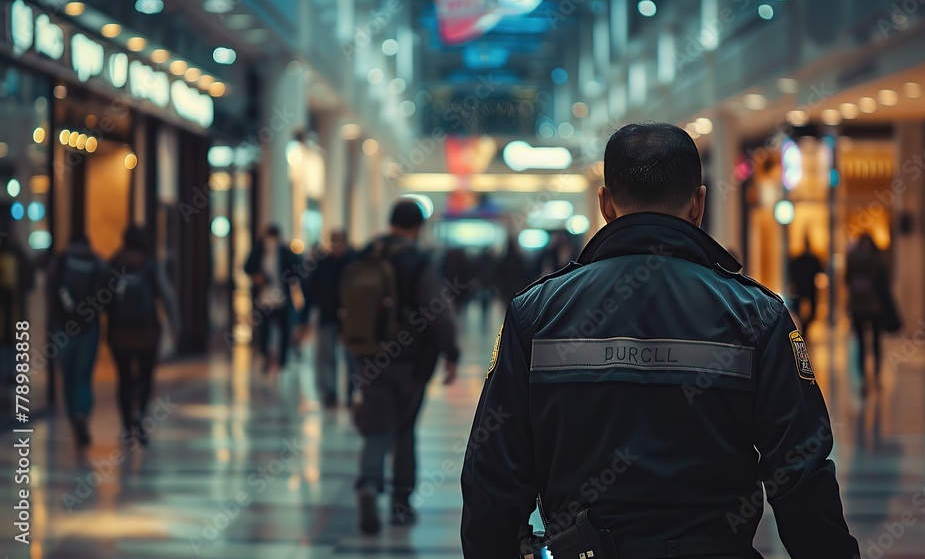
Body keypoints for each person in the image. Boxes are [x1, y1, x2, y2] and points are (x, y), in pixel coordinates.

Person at [461, 123, 859, 559]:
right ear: (699, 204)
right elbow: (801, 476)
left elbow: (492, 479)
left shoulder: (536, 314)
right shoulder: (757, 315)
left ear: (606, 204)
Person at [347, 200, 460, 535]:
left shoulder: (366, 254)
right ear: (418, 227)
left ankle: (368, 484)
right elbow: (436, 310)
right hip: (409, 361)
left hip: (368, 356)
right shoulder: (418, 260)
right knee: (404, 430)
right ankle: (400, 504)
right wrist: (450, 353)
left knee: (375, 426)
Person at [107, 226, 181, 443]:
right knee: (145, 376)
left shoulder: (115, 262)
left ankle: (127, 425)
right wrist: (175, 324)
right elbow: (167, 294)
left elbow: (104, 298)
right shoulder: (151, 264)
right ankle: (140, 416)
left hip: (119, 332)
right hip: (147, 331)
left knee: (124, 378)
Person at [47, 234, 109, 446]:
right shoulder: (97, 263)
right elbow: (107, 294)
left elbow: (50, 292)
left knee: (67, 375)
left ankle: (74, 417)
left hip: (61, 328)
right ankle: (82, 413)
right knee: (83, 375)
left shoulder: (61, 261)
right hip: (88, 327)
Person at [304, 229, 358, 408]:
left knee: (351, 358)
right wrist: (304, 319)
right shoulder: (322, 263)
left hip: (351, 319)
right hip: (327, 317)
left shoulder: (355, 260)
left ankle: (352, 391)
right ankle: (329, 394)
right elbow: (311, 291)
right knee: (325, 357)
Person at [244, 225, 302, 372]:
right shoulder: (259, 251)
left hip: (281, 298)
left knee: (284, 330)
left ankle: (282, 361)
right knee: (264, 331)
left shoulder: (284, 252)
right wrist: (257, 277)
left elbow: (296, 271)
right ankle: (265, 357)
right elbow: (247, 267)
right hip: (264, 299)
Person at [846, 232, 890, 397]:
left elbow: (847, 280)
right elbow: (884, 284)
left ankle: (864, 379)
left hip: (857, 306)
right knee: (876, 342)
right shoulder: (877, 259)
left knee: (861, 344)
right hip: (875, 306)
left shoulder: (853, 259)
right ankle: (877, 377)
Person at [0, 222, 34, 391]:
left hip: (11, 308)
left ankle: (8, 374)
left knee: (10, 342)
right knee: (12, 342)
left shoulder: (17, 254)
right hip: (14, 308)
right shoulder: (19, 253)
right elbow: (29, 281)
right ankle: (10, 374)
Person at [789, 236, 824, 334]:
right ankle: (804, 329)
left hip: (803, 287)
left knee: (804, 310)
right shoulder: (811, 260)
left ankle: (804, 329)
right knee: (807, 310)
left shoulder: (799, 260)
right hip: (807, 287)